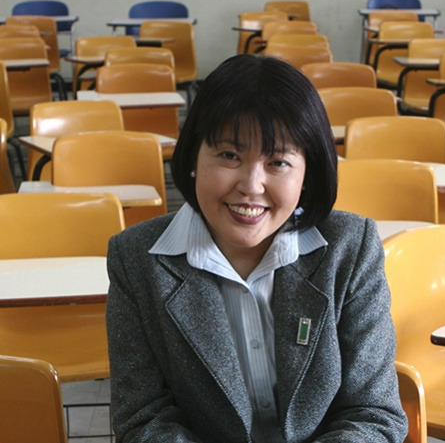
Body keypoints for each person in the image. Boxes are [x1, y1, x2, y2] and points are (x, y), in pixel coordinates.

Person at [106, 53, 408, 443]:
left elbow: (373, 412)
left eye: (278, 162)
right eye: (229, 155)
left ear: (307, 173)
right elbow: (143, 419)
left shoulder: (350, 248)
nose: (251, 185)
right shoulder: (136, 259)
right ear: (194, 156)